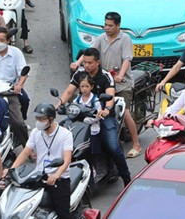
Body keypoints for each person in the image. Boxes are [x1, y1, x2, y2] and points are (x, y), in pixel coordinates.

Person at [56, 48, 132, 187]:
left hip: (101, 116)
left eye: (90, 62)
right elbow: (69, 91)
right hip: (80, 114)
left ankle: (127, 178)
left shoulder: (105, 76)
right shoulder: (79, 73)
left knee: (113, 147)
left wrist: (106, 110)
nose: (86, 65)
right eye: (84, 62)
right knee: (59, 132)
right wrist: (58, 104)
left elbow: (110, 95)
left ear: (98, 62)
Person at [69, 12, 141, 158]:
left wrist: (121, 74)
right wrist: (77, 63)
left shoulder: (125, 39)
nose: (107, 28)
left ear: (118, 25)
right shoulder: (101, 38)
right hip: (104, 81)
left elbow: (127, 60)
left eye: (110, 26)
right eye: (105, 25)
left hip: (122, 84)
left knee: (124, 112)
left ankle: (136, 145)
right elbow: (90, 52)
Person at [4, 103, 73, 219]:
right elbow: (25, 152)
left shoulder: (65, 134)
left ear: (51, 119)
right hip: (39, 176)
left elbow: (67, 160)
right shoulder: (36, 132)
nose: (38, 122)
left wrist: (56, 175)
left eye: (42, 119)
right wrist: (11, 169)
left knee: (63, 215)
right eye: (37, 119)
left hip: (59, 179)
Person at [73, 73, 102, 137]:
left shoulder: (95, 101)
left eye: (87, 86)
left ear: (92, 87)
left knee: (94, 136)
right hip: (79, 125)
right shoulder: (77, 100)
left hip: (92, 127)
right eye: (82, 86)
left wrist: (84, 120)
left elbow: (98, 116)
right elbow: (73, 109)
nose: (84, 89)